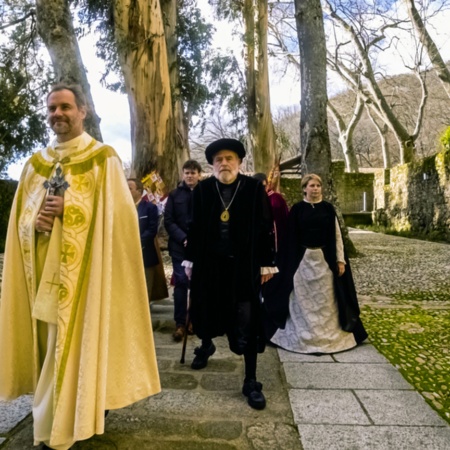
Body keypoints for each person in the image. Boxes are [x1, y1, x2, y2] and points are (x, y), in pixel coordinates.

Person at [0, 84, 161, 450]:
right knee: (48, 349)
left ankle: (55, 427)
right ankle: (58, 417)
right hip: (41, 274)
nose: (58, 114)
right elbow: (19, 224)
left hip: (86, 280)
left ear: (82, 111)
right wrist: (36, 224)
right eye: (52, 108)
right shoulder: (35, 164)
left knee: (72, 345)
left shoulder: (104, 160)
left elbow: (118, 225)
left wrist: (68, 212)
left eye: (65, 107)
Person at [183, 138, 276, 410]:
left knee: (247, 318)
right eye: (219, 160)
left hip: (242, 266)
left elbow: (264, 226)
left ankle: (251, 380)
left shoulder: (252, 188)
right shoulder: (202, 190)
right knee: (207, 310)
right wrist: (189, 261)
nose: (224, 163)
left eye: (229, 159)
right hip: (209, 266)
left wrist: (267, 262)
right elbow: (194, 227)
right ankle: (206, 345)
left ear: (240, 163)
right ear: (212, 165)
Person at [264, 173, 368, 355]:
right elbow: (289, 238)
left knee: (327, 299)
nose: (315, 189)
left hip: (324, 260)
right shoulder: (297, 210)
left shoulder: (328, 209)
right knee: (301, 299)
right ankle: (303, 335)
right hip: (302, 261)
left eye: (318, 185)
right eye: (311, 185)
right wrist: (288, 264)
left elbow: (337, 236)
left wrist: (340, 260)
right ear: (304, 188)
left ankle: (327, 336)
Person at [164, 159, 202, 342]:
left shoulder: (206, 193)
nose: (189, 176)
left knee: (198, 285)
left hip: (200, 247)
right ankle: (180, 322)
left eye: (193, 173)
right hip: (179, 247)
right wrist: (184, 238)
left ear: (199, 175)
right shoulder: (174, 195)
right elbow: (168, 220)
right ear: (183, 174)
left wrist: (196, 239)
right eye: (187, 172)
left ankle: (193, 320)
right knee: (180, 282)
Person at [128, 178, 160, 302]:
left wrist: (136, 242)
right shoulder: (121, 208)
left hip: (145, 253)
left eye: (130, 188)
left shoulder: (150, 208)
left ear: (139, 191)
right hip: (126, 255)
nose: (126, 191)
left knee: (145, 287)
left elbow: (152, 230)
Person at [252, 172, 289, 250]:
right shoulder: (250, 200)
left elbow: (285, 218)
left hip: (273, 237)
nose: (261, 189)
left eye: (263, 186)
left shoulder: (276, 198)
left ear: (267, 185)